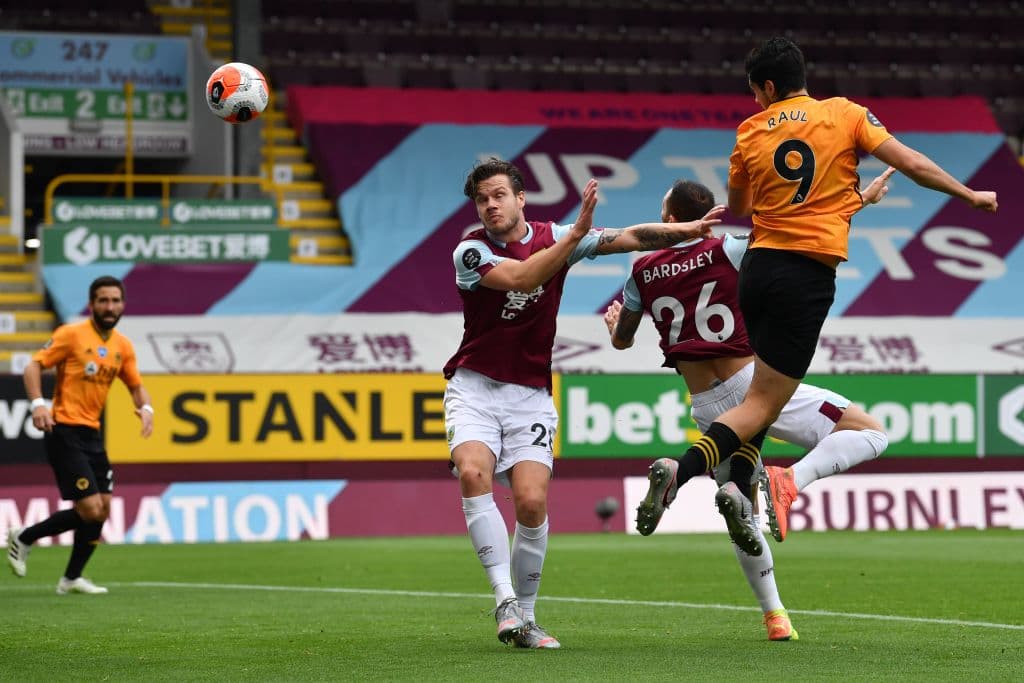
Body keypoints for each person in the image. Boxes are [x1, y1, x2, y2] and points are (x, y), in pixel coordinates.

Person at [635, 36, 998, 540]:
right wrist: (969, 194)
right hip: (803, 276)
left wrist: (847, 199)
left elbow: (740, 206)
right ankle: (696, 472)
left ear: (767, 87)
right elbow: (912, 163)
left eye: (754, 92)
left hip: (758, 271)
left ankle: (737, 485)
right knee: (762, 404)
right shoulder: (845, 114)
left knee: (759, 402)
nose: (755, 101)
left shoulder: (750, 130)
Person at [444, 157, 725, 649]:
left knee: (531, 502)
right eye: (482, 199)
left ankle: (527, 617)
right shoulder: (470, 251)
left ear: (520, 198)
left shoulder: (553, 235)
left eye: (499, 195)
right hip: (474, 387)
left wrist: (686, 230)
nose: (490, 205)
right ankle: (505, 600)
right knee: (472, 473)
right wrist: (574, 237)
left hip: (530, 393)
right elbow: (522, 279)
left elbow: (630, 238)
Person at [605, 175, 892, 641]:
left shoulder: (640, 272)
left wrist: (615, 326)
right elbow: (802, 229)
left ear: (670, 220)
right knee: (871, 432)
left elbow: (622, 341)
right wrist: (862, 199)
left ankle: (775, 615)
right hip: (752, 382)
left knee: (739, 509)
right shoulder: (731, 249)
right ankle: (792, 479)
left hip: (706, 404)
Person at [6, 275, 153, 594]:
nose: (110, 306)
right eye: (103, 300)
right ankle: (25, 537)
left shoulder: (122, 346)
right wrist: (38, 405)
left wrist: (146, 408)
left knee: (103, 508)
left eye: (115, 300)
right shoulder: (71, 334)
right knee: (90, 509)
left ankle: (71, 578)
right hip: (64, 430)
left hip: (92, 434)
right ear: (92, 304)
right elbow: (33, 367)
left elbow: (136, 386)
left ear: (123, 304)